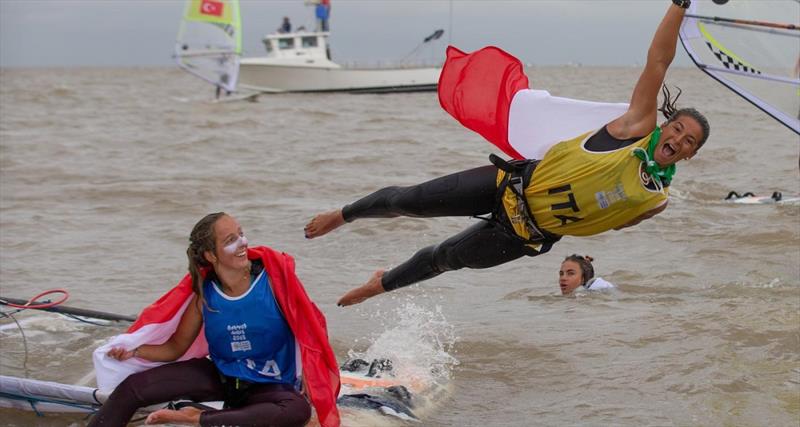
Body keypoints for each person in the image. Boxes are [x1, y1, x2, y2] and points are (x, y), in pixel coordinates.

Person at [304, 0, 709, 307]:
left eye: (689, 141)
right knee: (409, 201)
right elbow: (658, 61)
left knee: (447, 258)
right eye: (678, 128)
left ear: (689, 155)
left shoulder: (657, 199)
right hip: (508, 184)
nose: (679, 139)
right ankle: (344, 214)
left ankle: (382, 282)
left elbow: (611, 222)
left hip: (525, 235)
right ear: (665, 126)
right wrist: (681, 3)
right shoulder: (636, 127)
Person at [89, 213, 340, 427]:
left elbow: (311, 325)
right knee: (133, 388)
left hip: (268, 386)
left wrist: (311, 370)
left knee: (297, 411)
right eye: (231, 240)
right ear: (211, 255)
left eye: (241, 234)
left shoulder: (274, 283)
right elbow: (176, 347)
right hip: (220, 378)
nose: (243, 243)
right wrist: (134, 352)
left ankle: (197, 417)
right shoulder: (205, 296)